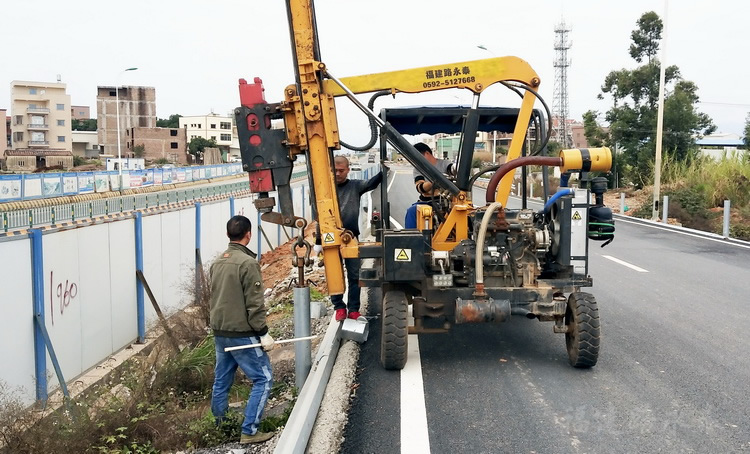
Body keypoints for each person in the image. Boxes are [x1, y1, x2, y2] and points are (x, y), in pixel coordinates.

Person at [209, 215, 276, 444]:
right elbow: (254, 304)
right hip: (242, 335)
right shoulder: (247, 263)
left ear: (228, 235)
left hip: (220, 332)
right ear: (249, 234)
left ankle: (221, 427)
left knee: (221, 380)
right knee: (264, 378)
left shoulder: (218, 262)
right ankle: (249, 430)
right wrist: (263, 332)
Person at [331, 155, 383, 321]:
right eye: (335, 170)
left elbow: (371, 183)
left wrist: (384, 171)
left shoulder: (355, 186)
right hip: (330, 238)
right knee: (334, 274)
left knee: (354, 275)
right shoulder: (324, 188)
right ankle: (339, 307)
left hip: (351, 237)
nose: (338, 173)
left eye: (341, 170)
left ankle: (353, 309)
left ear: (348, 170)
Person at [405, 142, 456, 228]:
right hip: (426, 202)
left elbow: (452, 170)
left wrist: (455, 169)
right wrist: (435, 182)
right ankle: (411, 239)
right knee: (411, 211)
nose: (416, 161)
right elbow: (420, 187)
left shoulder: (445, 164)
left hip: (447, 201)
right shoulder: (418, 169)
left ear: (427, 153)